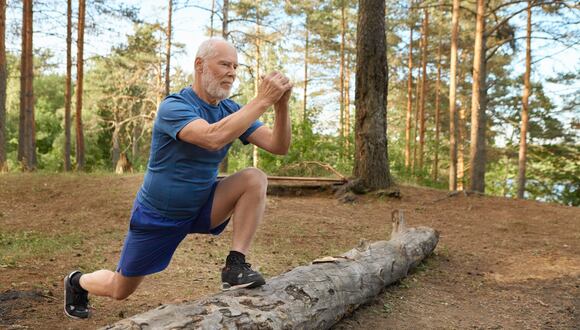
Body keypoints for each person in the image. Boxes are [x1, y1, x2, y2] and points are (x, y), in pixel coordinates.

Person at [63, 38, 293, 319]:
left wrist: (281, 106)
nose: (232, 72)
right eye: (224, 64)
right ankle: (78, 281)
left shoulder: (232, 110)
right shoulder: (174, 106)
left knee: (254, 178)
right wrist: (263, 100)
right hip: (158, 216)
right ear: (200, 65)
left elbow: (278, 146)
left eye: (235, 66)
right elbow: (212, 137)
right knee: (119, 289)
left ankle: (235, 265)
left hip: (202, 206)